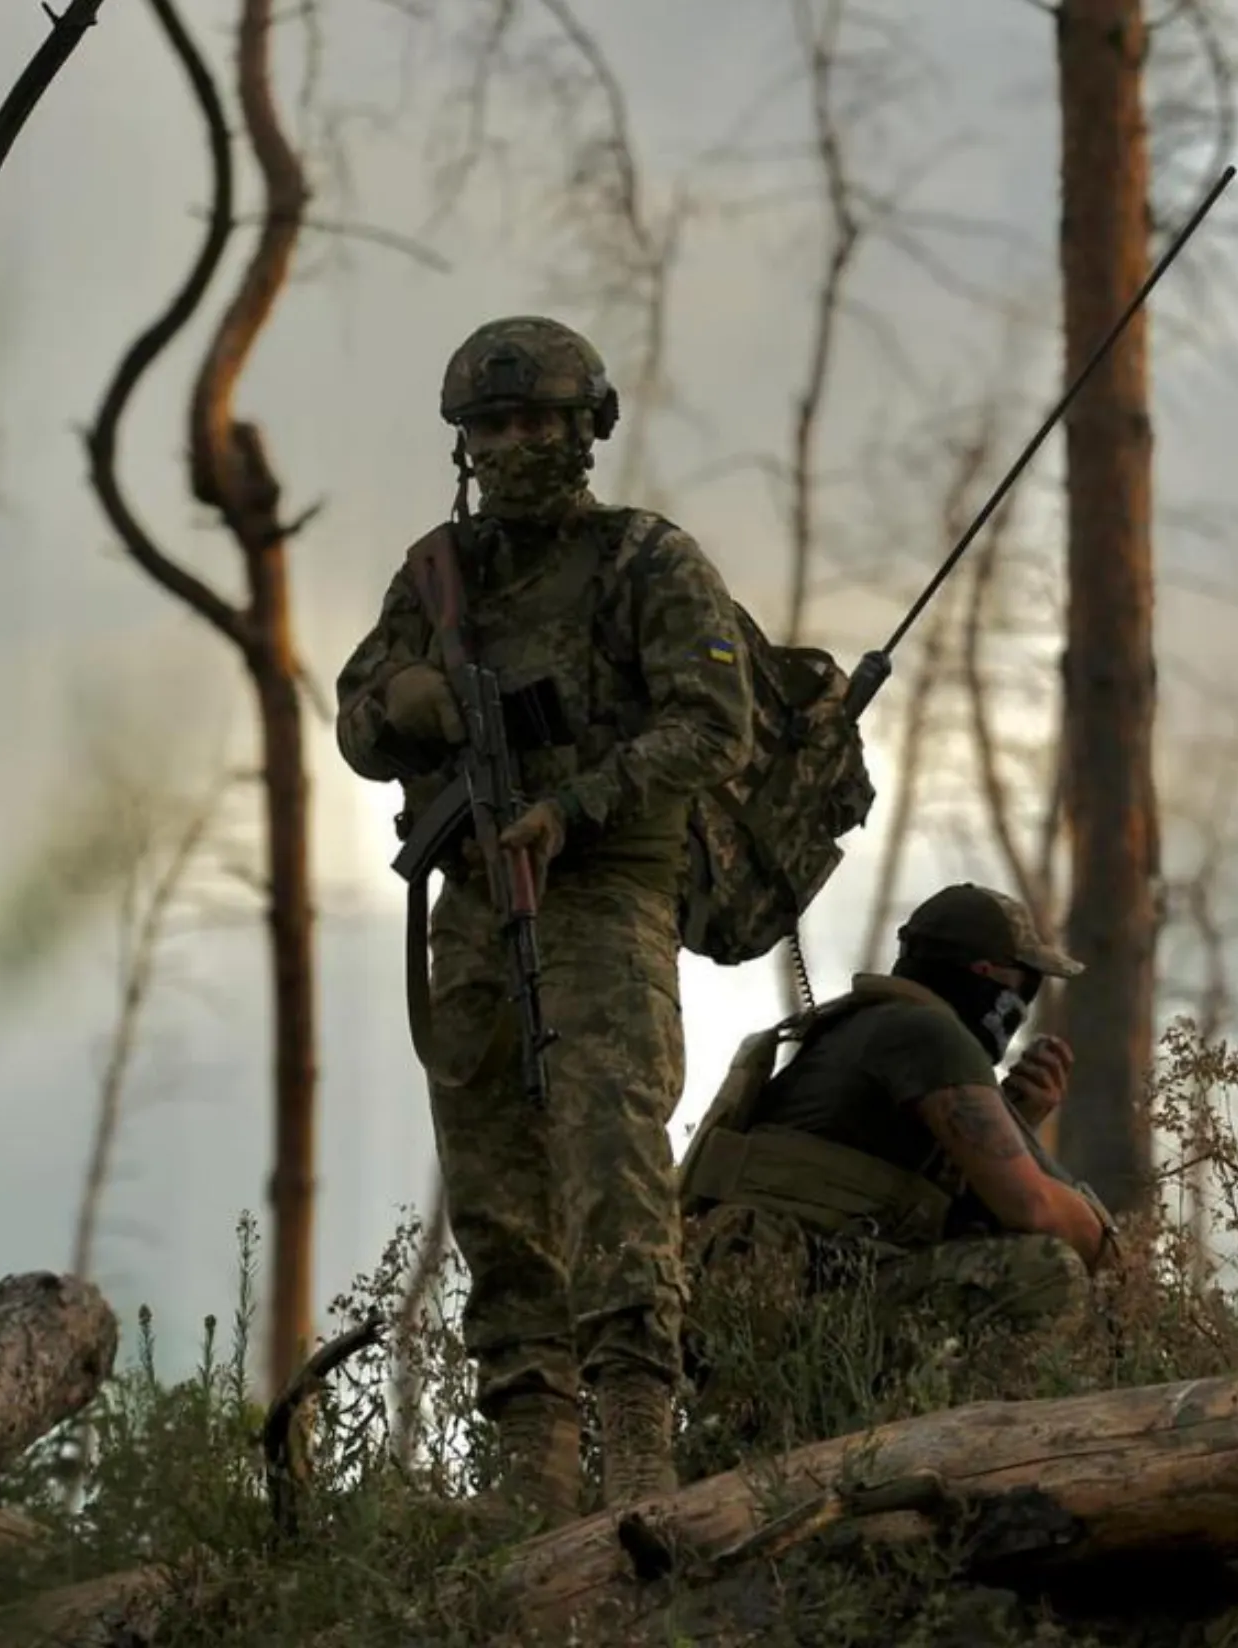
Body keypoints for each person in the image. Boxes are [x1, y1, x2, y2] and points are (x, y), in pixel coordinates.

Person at [331, 314, 755, 1521]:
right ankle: (533, 1456)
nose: (517, 445)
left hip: (605, 890)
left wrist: (576, 803)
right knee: (492, 1174)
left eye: (539, 423)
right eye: (494, 426)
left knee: (612, 1159)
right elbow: (357, 718)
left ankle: (634, 1440)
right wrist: (405, 705)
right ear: (465, 442)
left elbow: (711, 723)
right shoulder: (439, 578)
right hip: (474, 898)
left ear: (586, 432)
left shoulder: (644, 563)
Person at [680, 883, 1117, 1351]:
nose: (1024, 1005)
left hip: (755, 1301)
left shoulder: (860, 1026)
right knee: (1047, 1273)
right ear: (983, 975)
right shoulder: (928, 1032)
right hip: (786, 1298)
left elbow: (915, 1213)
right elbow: (1033, 1208)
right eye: (1024, 984)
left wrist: (1018, 1119)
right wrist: (1109, 1249)